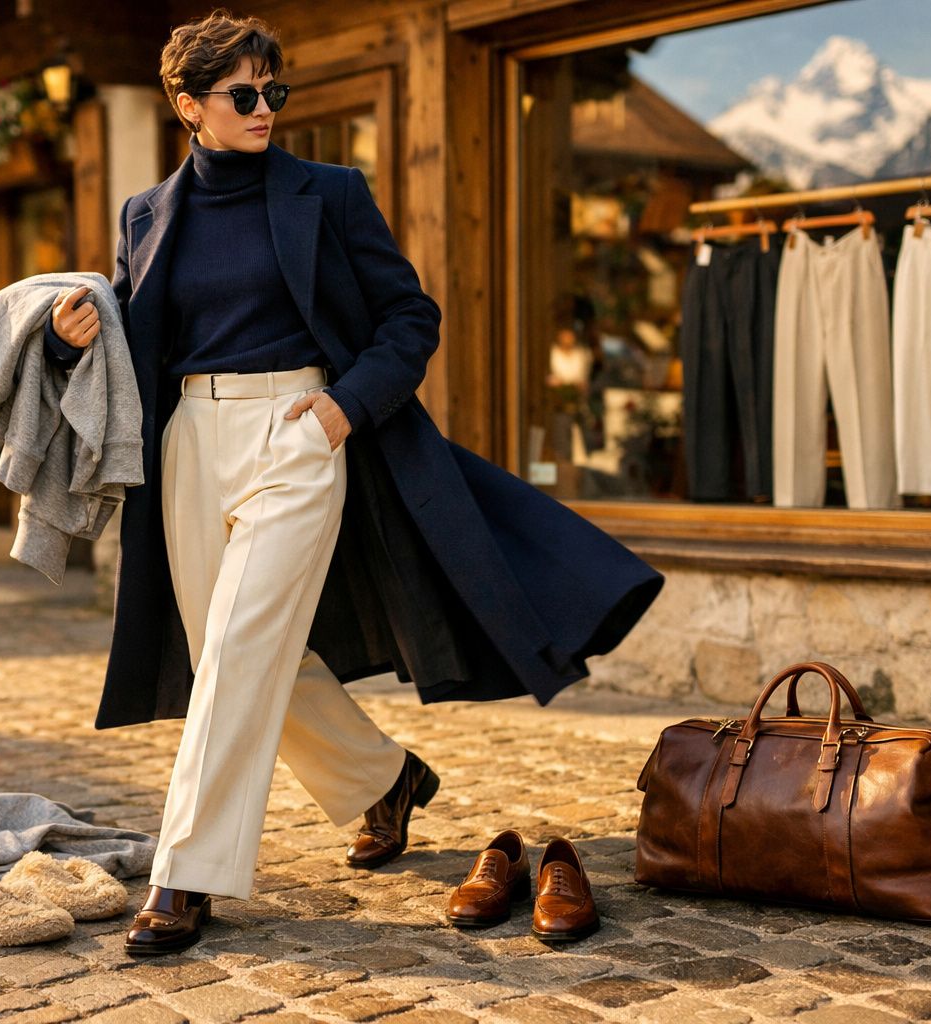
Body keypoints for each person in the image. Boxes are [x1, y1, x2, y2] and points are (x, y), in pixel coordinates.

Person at [43, 8, 664, 957]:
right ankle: (384, 780)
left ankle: (187, 873)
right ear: (187, 106)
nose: (263, 108)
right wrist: (67, 337)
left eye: (273, 92)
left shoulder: (328, 194)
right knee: (236, 656)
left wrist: (343, 409)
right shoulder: (146, 214)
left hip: (298, 430)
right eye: (241, 95)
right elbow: (139, 341)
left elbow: (409, 317)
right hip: (188, 442)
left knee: (246, 642)